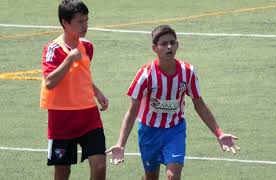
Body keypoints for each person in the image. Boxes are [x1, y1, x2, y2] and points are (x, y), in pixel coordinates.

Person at [106, 25, 240, 180]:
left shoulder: (188, 72)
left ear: (178, 45)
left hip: (174, 130)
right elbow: (132, 111)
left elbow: (199, 105)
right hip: (149, 132)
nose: (169, 47)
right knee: (151, 177)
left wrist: (219, 133)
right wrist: (121, 143)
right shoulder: (145, 75)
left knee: (173, 176)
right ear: (154, 48)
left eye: (172, 42)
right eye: (163, 44)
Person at [40, 1, 108, 179]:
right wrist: (69, 59)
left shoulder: (88, 46)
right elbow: (49, 82)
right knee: (63, 171)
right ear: (65, 23)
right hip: (61, 119)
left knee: (100, 166)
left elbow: (80, 76)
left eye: (86, 20)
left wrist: (97, 92)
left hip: (88, 116)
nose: (85, 25)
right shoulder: (53, 49)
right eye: (80, 21)